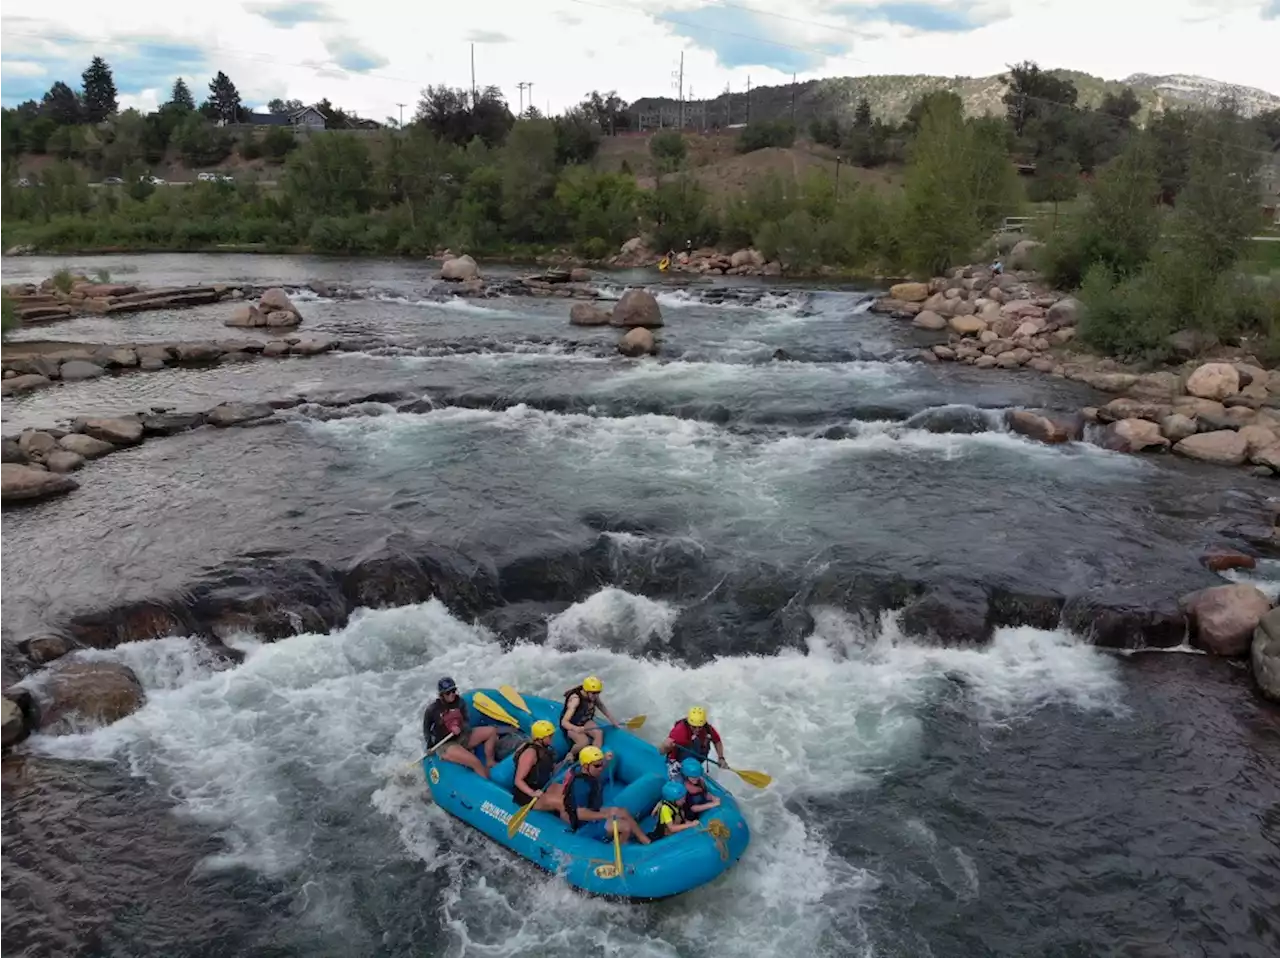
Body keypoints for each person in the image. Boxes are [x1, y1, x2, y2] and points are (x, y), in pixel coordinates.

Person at [561, 745, 651, 846]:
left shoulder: (586, 771)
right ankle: (613, 850)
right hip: (585, 826)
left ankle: (647, 842)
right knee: (626, 827)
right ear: (586, 766)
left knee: (622, 812)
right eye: (597, 766)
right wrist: (605, 815)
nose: (601, 768)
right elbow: (581, 814)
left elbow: (597, 765)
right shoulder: (581, 786)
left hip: (593, 812)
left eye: (601, 764)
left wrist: (605, 760)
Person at [422, 676, 499, 779]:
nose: (452, 694)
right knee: (475, 762)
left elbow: (466, 720)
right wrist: (429, 746)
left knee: (492, 731)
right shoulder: (433, 710)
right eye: (448, 693)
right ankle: (487, 784)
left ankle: (490, 761)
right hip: (447, 743)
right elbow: (426, 729)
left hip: (462, 736)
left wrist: (461, 727)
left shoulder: (460, 702)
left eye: (453, 690)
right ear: (441, 695)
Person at [561, 676, 621, 760]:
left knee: (598, 733)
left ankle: (594, 756)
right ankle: (571, 754)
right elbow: (564, 722)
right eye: (593, 693)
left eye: (597, 693)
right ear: (586, 691)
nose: (595, 696)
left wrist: (613, 720)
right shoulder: (575, 699)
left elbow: (601, 706)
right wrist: (575, 728)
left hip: (584, 721)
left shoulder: (592, 695)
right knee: (584, 742)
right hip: (571, 725)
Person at [659, 706, 727, 777]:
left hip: (696, 759)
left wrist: (721, 758)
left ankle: (695, 769)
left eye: (700, 727)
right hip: (678, 760)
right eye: (694, 727)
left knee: (702, 741)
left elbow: (717, 741)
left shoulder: (707, 728)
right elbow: (661, 752)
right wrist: (666, 746)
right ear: (689, 724)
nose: (697, 729)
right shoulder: (679, 731)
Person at [511, 719, 562, 812]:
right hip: (527, 795)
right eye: (549, 736)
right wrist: (532, 793)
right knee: (561, 803)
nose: (552, 738)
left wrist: (566, 760)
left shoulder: (546, 750)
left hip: (541, 787)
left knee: (567, 793)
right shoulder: (530, 753)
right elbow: (518, 781)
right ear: (540, 738)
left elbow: (552, 771)